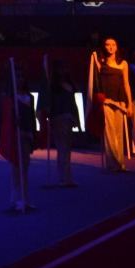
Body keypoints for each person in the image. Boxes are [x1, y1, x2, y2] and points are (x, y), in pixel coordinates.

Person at [2, 64, 36, 214]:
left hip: (27, 136)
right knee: (16, 169)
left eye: (22, 76)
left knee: (25, 169)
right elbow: (6, 121)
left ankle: (25, 199)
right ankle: (15, 200)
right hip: (16, 137)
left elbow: (32, 118)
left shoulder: (29, 97)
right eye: (17, 77)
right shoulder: (10, 99)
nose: (20, 79)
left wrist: (32, 134)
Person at [99, 37, 132, 172]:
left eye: (113, 44)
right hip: (107, 101)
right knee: (109, 133)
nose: (111, 47)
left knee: (119, 133)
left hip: (120, 101)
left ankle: (120, 163)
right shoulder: (100, 63)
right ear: (104, 47)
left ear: (117, 47)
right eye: (108, 44)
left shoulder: (123, 64)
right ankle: (113, 164)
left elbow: (126, 84)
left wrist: (129, 104)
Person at [46, 58, 78, 188]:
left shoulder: (70, 85)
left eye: (65, 68)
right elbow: (50, 104)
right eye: (61, 68)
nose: (63, 71)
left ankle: (67, 177)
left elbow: (73, 103)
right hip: (58, 118)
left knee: (67, 149)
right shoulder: (52, 86)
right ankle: (63, 178)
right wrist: (49, 119)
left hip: (69, 118)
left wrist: (76, 118)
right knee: (62, 148)